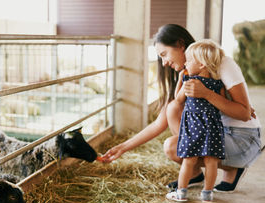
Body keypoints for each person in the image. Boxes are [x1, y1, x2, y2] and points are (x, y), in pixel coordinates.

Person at [101, 24, 262, 194]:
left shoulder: (221, 62)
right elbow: (159, 123)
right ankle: (193, 172)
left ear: (180, 45)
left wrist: (207, 94)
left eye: (164, 55)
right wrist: (122, 148)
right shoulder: (186, 76)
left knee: (174, 136)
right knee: (172, 131)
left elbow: (244, 113)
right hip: (219, 133)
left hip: (243, 139)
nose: (164, 63)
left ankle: (232, 167)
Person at [166, 40, 226, 203]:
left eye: (189, 60)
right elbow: (222, 101)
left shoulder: (190, 82)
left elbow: (178, 100)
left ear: (201, 65)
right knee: (211, 160)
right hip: (212, 127)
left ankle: (181, 193)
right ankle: (207, 194)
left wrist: (180, 79)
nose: (185, 63)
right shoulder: (217, 83)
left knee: (189, 159)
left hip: (193, 127)